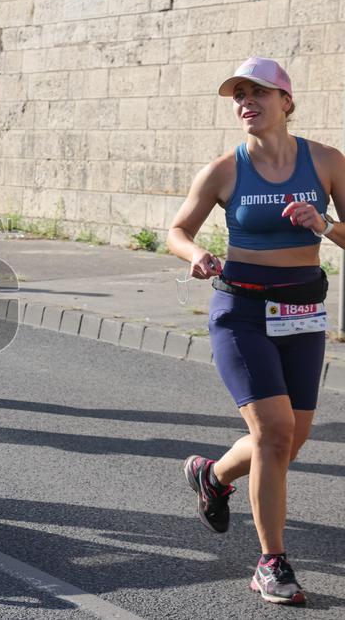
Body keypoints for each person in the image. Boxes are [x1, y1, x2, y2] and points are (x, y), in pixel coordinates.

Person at [167, 57, 345, 606]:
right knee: (272, 431)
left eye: (258, 92)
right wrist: (196, 253)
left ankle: (214, 476)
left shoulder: (327, 162)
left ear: (286, 101)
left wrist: (326, 225)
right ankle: (272, 562)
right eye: (238, 95)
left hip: (302, 313)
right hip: (241, 311)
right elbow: (177, 229)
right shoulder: (223, 170)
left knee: (291, 440)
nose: (246, 101)